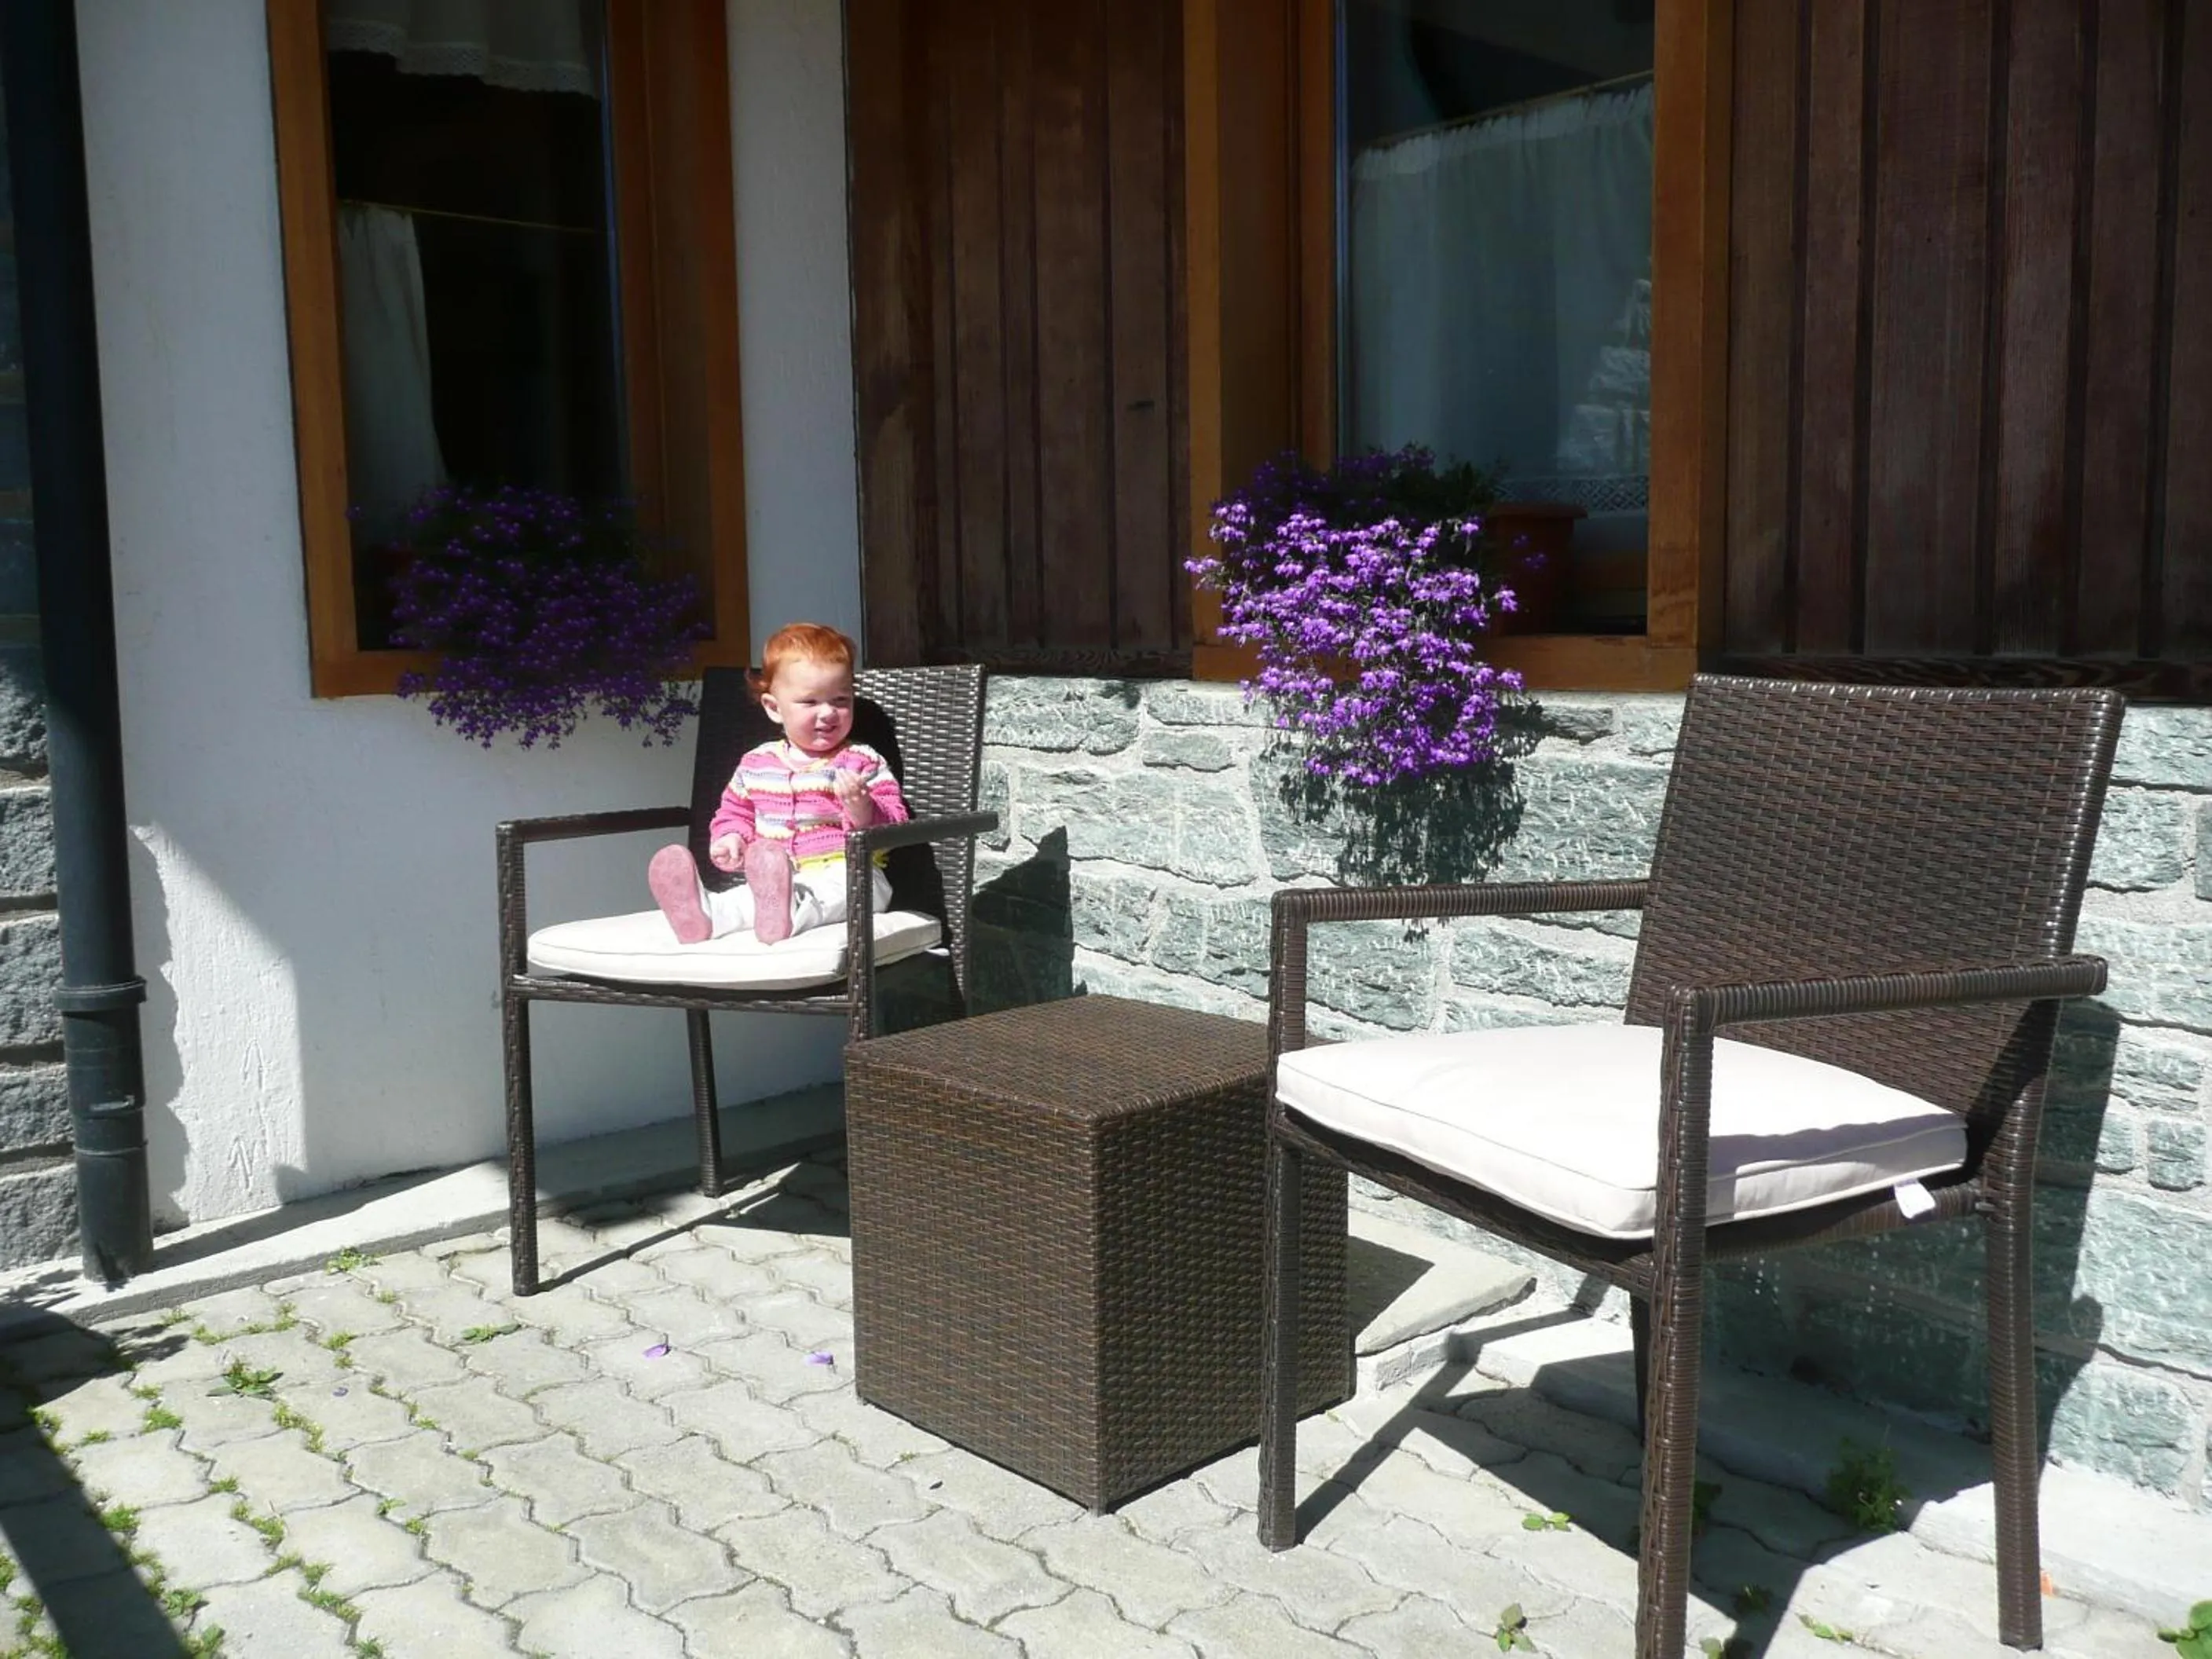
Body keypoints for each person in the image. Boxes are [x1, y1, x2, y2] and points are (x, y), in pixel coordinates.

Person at [647, 623, 908, 946]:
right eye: (810, 702)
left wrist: (863, 808)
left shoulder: (860, 761)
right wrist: (730, 838)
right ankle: (704, 916)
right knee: (744, 900)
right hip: (775, 879)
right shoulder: (756, 764)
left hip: (853, 874)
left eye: (841, 699)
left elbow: (897, 821)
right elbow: (734, 812)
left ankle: (787, 913)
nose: (828, 713)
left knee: (833, 892)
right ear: (774, 708)